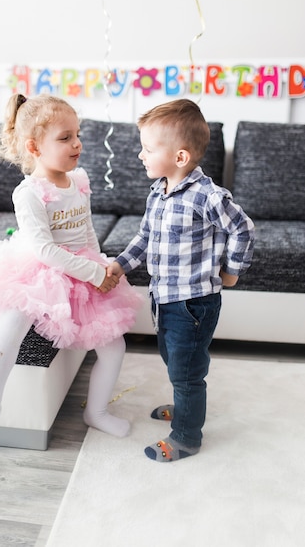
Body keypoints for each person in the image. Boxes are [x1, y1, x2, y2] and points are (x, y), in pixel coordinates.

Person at [0, 93, 142, 457]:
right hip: (40, 267)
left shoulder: (79, 180)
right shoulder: (29, 193)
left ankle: (96, 411)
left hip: (81, 266)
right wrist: (92, 272)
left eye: (77, 134)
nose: (78, 143)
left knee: (114, 347)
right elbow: (44, 250)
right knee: (12, 324)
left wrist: (99, 267)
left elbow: (85, 233)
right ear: (35, 147)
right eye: (65, 137)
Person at [107, 98, 254, 463]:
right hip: (166, 297)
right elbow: (144, 238)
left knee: (188, 371)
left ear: (181, 157)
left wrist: (232, 271)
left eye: (148, 148)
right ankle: (184, 405)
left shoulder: (207, 196)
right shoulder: (158, 191)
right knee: (173, 358)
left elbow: (243, 229)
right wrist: (121, 266)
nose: (141, 155)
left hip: (193, 302)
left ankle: (187, 436)